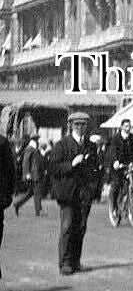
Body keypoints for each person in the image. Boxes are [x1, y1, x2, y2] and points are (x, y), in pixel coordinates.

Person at [49, 112, 101, 275]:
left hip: (84, 194)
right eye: (77, 124)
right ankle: (64, 263)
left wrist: (93, 188)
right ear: (71, 125)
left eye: (83, 124)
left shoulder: (91, 146)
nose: (80, 127)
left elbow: (95, 168)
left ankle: (75, 262)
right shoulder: (62, 145)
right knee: (67, 227)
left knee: (81, 227)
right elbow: (53, 168)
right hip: (67, 193)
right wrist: (71, 164)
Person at [107, 119, 133, 212]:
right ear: (122, 127)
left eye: (129, 126)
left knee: (132, 182)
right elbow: (113, 151)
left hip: (128, 164)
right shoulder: (116, 138)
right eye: (126, 126)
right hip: (117, 165)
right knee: (116, 185)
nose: (128, 128)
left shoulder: (132, 138)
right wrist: (115, 161)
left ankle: (129, 201)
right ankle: (113, 207)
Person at [13, 134, 45, 216]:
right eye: (37, 140)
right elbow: (26, 162)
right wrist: (27, 174)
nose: (38, 141)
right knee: (37, 193)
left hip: (35, 174)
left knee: (30, 193)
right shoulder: (30, 149)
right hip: (34, 175)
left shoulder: (33, 149)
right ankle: (38, 211)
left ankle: (17, 204)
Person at [0, 132, 15, 279]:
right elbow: (10, 172)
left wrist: (6, 198)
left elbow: (9, 173)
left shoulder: (2, 143)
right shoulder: (2, 142)